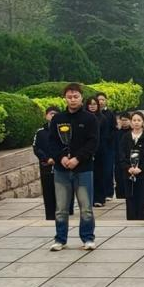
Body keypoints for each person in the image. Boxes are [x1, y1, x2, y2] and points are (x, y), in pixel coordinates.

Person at [48, 84, 99, 251]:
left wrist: (77, 158)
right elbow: (52, 142)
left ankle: (88, 238)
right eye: (69, 97)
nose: (73, 100)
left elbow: (93, 143)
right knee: (61, 208)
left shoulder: (90, 119)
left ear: (81, 97)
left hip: (83, 169)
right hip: (61, 170)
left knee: (86, 207)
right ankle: (60, 239)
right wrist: (61, 157)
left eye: (76, 96)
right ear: (65, 98)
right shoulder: (58, 119)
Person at [119, 110, 144, 220]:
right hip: (129, 173)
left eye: (139, 120)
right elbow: (121, 154)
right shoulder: (126, 137)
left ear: (143, 122)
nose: (136, 122)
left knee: (142, 198)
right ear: (131, 122)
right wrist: (128, 167)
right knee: (130, 198)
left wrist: (141, 168)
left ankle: (142, 219)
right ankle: (131, 219)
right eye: (134, 120)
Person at [32, 105, 60, 221]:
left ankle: (62, 214)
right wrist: (46, 159)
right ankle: (50, 216)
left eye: (55, 114)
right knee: (48, 190)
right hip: (46, 166)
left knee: (61, 191)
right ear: (46, 116)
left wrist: (57, 158)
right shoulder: (40, 132)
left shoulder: (63, 130)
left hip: (60, 165)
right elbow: (36, 148)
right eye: (51, 114)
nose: (53, 116)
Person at [113, 110, 132, 199]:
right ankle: (120, 196)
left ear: (130, 120)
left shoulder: (132, 132)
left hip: (130, 160)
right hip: (118, 160)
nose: (124, 122)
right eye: (122, 120)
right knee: (119, 180)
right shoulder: (117, 133)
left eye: (126, 120)